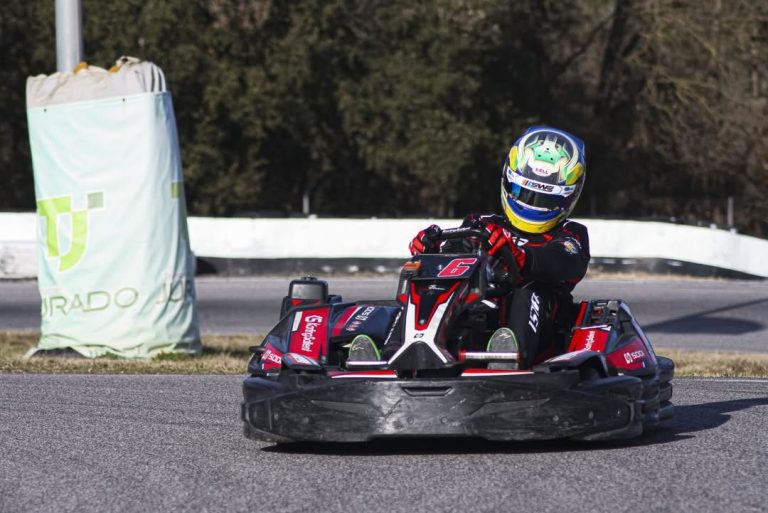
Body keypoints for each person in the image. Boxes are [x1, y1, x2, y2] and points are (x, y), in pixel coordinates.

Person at [349, 126, 590, 368]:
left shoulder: (571, 234)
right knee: (426, 283)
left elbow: (563, 261)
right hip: (477, 315)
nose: (531, 204)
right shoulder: (482, 224)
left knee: (529, 291)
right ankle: (394, 352)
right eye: (523, 192)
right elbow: (453, 260)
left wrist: (523, 258)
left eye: (545, 198)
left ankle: (509, 356)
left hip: (539, 335)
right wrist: (431, 251)